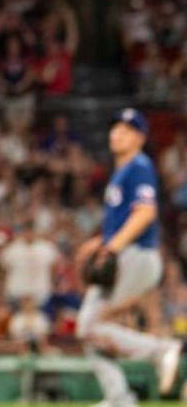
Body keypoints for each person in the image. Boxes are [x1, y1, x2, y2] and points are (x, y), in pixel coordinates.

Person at [74, 109, 182, 407]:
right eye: (115, 128)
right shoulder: (122, 172)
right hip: (127, 253)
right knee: (87, 329)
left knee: (89, 326)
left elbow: (146, 213)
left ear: (140, 137)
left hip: (136, 255)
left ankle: (159, 351)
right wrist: (101, 242)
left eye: (125, 129)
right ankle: (119, 398)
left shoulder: (139, 166)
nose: (116, 133)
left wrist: (111, 248)